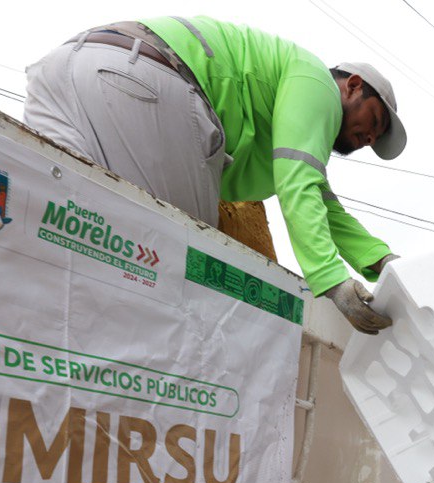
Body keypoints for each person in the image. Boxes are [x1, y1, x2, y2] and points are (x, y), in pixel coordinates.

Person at [24, 17, 406, 334]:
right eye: (374, 121)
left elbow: (322, 203)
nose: (370, 139)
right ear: (353, 85)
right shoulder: (318, 85)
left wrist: (383, 262)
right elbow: (298, 183)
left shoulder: (290, 97)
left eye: (375, 140)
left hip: (70, 69)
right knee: (170, 276)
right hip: (145, 81)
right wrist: (331, 279)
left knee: (55, 243)